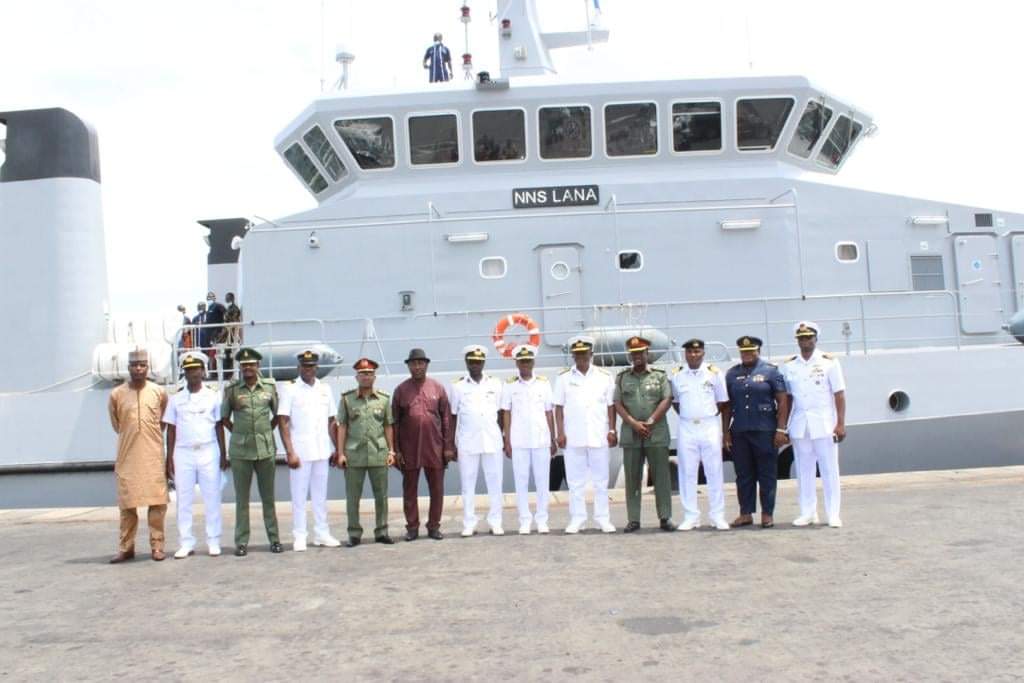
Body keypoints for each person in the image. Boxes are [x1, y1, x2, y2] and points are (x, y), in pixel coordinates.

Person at [781, 322, 847, 528]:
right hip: (801, 425)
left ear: (815, 339)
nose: (805, 341)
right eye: (801, 338)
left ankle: (833, 513)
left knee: (829, 470)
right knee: (804, 470)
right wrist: (784, 427)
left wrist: (840, 424)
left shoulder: (829, 362)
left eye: (809, 337)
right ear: (797, 340)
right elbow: (788, 399)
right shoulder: (790, 365)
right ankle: (808, 512)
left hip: (824, 424)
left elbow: (839, 394)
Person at [163, 353, 228, 558]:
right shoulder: (176, 398)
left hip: (209, 450)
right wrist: (169, 458)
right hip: (183, 453)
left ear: (203, 371)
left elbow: (219, 426)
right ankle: (186, 542)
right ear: (185, 372)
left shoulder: (214, 395)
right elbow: (171, 430)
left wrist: (223, 454)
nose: (193, 373)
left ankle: (213, 540)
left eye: (197, 369)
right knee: (183, 499)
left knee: (212, 497)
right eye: (189, 370)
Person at [107, 348, 169, 563]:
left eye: (142, 365)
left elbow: (161, 423)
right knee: (127, 505)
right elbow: (117, 425)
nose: (138, 368)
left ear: (147, 367)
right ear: (128, 368)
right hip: (128, 457)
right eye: (135, 365)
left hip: (153, 456)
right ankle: (126, 547)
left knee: (157, 504)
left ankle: (158, 546)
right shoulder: (116, 394)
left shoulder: (158, 392)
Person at [221, 347, 283, 555]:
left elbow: (277, 415)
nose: (248, 368)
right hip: (241, 452)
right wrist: (239, 433)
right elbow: (224, 418)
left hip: (265, 450)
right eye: (244, 365)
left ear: (258, 366)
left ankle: (274, 539)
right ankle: (241, 542)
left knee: (268, 498)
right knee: (242, 499)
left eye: (252, 364)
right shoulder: (232, 390)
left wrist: (265, 432)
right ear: (240, 367)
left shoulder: (269, 388)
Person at [553, 335, 617, 534]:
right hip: (573, 437)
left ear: (591, 354)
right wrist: (560, 433)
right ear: (573, 355)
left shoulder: (605, 377)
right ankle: (577, 519)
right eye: (577, 354)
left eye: (584, 354)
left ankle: (602, 519)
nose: (581, 357)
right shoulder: (563, 378)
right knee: (575, 482)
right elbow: (559, 408)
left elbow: (611, 406)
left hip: (599, 435)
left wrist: (613, 430)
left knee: (601, 481)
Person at [724, 336, 790, 529]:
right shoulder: (732, 374)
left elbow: (783, 401)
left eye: (750, 351)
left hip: (765, 431)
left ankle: (767, 513)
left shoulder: (770, 371)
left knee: (767, 473)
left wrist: (781, 429)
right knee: (743, 474)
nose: (746, 354)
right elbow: (727, 406)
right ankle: (745, 513)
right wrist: (726, 432)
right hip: (740, 431)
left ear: (758, 351)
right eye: (743, 351)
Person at [278, 349, 340, 551]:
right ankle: (299, 536)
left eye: (311, 366)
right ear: (299, 368)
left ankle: (322, 533)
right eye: (305, 366)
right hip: (300, 452)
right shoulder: (290, 389)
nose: (308, 370)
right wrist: (289, 452)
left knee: (320, 496)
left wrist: (337, 449)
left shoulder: (325, 389)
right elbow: (283, 422)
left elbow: (332, 421)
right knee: (299, 496)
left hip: (322, 450)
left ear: (316, 368)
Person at [613, 336, 676, 533]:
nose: (637, 356)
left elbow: (667, 399)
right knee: (632, 478)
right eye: (633, 354)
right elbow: (618, 403)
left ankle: (665, 517)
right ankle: (633, 519)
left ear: (647, 354)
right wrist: (633, 423)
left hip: (655, 432)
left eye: (640, 353)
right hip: (631, 434)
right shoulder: (623, 377)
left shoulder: (659, 376)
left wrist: (649, 422)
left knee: (661, 477)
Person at [671, 339, 731, 531]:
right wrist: (690, 415)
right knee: (687, 472)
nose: (693, 355)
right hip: (687, 426)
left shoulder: (714, 373)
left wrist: (710, 417)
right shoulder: (678, 376)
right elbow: (676, 402)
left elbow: (723, 402)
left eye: (697, 352)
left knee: (714, 471)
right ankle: (691, 516)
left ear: (703, 353)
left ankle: (717, 515)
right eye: (689, 352)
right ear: (685, 354)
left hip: (709, 425)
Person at [392, 348, 452, 541]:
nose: (417, 366)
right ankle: (412, 527)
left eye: (420, 363)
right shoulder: (401, 390)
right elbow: (395, 423)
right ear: (408, 366)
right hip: (409, 448)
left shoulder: (438, 388)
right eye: (413, 363)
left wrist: (448, 447)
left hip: (435, 446)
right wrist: (397, 450)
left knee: (437, 489)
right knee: (409, 489)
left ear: (426, 365)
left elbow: (446, 419)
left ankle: (434, 526)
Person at [336, 358, 396, 546]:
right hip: (354, 454)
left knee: (382, 496)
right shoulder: (347, 399)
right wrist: (340, 453)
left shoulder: (384, 399)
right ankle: (354, 533)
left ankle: (382, 531)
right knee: (353, 497)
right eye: (362, 374)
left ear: (374, 377)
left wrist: (391, 451)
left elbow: (388, 425)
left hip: (378, 452)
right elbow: (342, 427)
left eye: (369, 374)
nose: (366, 377)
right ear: (357, 377)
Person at [450, 344, 505, 537]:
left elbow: (500, 413)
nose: (475, 365)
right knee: (467, 484)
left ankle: (495, 521)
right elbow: (453, 416)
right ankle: (469, 522)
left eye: (479, 362)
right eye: (472, 362)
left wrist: (503, 435)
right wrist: (451, 443)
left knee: (495, 482)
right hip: (467, 441)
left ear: (483, 363)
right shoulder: (457, 386)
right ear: (466, 363)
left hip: (492, 440)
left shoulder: (495, 384)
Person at [501, 344, 556, 535]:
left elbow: (549, 412)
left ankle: (542, 520)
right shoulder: (509, 385)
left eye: (528, 361)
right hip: (519, 441)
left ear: (533, 362)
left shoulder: (544, 383)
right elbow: (506, 413)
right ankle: (524, 520)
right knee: (521, 481)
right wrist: (507, 440)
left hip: (541, 439)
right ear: (517, 363)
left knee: (543, 481)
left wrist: (553, 438)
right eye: (522, 361)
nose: (525, 364)